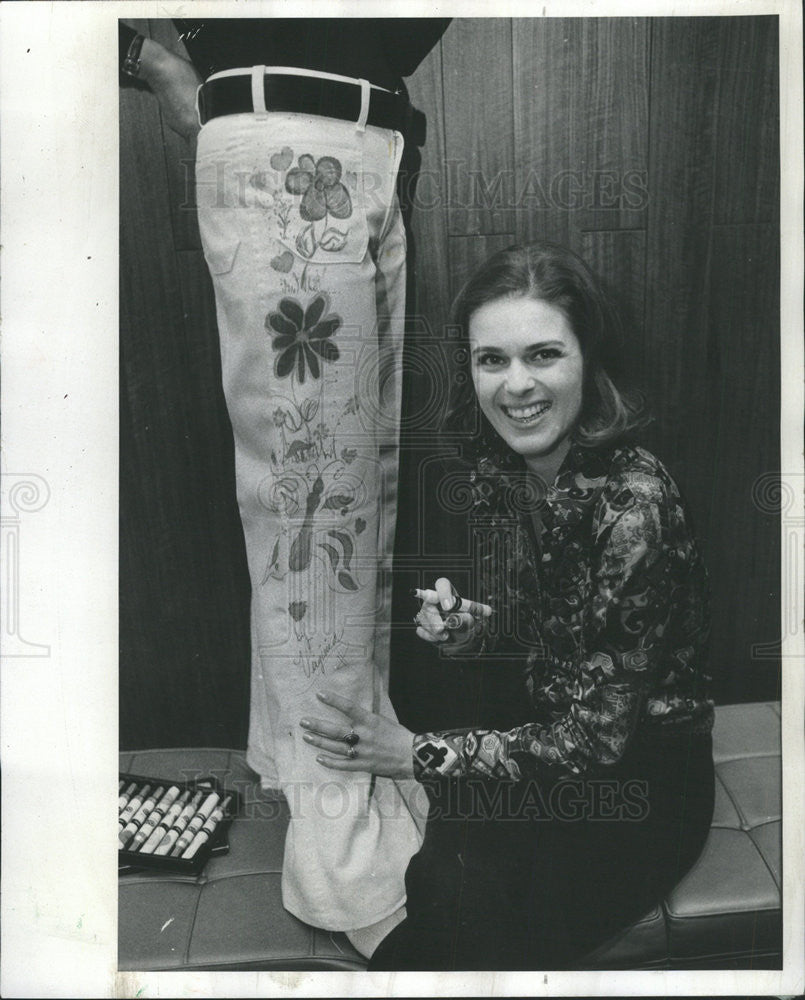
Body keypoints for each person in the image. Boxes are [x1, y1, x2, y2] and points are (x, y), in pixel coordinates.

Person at [119, 19, 449, 957]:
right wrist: (142, 57)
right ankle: (340, 850)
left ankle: (326, 766)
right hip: (289, 146)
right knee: (316, 494)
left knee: (357, 492)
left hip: (376, 145)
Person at [299, 241, 716, 970]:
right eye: (491, 360)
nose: (515, 385)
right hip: (551, 733)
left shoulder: (632, 508)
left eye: (543, 355)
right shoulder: (510, 463)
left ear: (589, 359)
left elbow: (594, 744)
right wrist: (474, 630)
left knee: (456, 932)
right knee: (442, 883)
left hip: (637, 786)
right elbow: (563, 623)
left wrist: (415, 755)